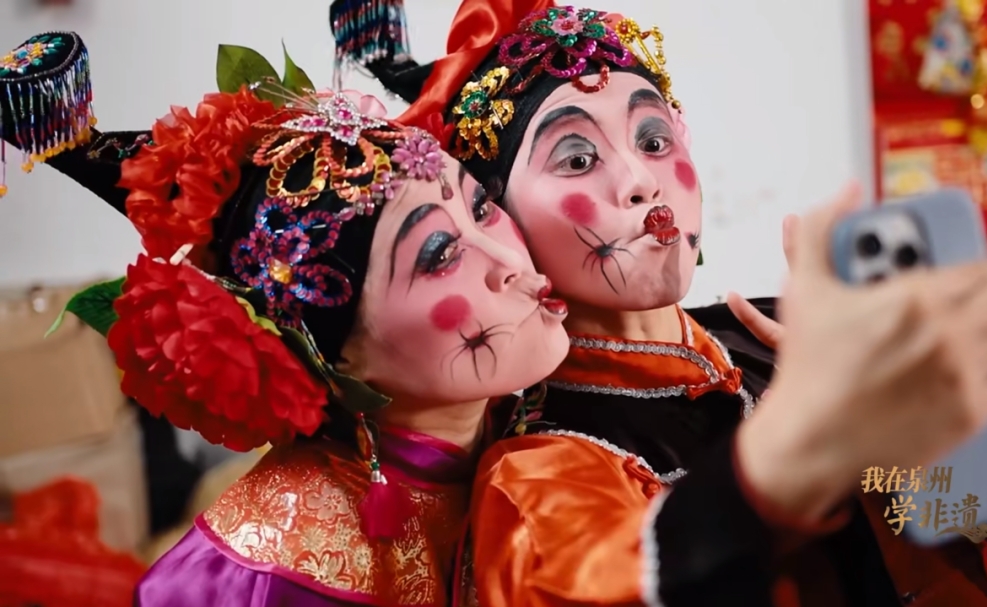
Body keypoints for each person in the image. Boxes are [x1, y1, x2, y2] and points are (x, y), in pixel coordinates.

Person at [360, 2, 987, 605]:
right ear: (508, 221)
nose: (641, 181)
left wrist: (935, 433)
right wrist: (801, 441)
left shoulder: (780, 337)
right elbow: (596, 579)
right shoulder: (541, 462)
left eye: (653, 138)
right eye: (577, 158)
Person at [0, 32, 570, 606]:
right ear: (336, 355)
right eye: (439, 255)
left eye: (481, 206)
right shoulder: (265, 574)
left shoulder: (537, 415)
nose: (507, 261)